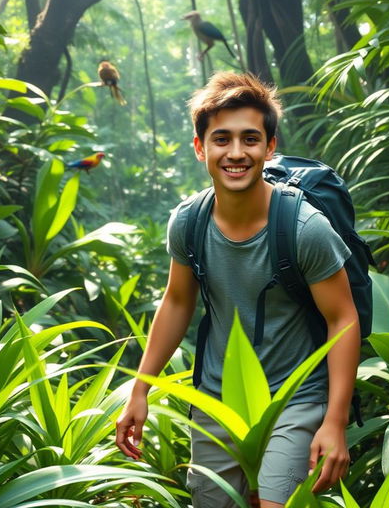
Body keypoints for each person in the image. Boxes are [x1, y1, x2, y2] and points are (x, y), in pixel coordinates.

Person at [116, 72, 360, 508]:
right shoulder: (189, 223)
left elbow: (342, 318)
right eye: (221, 139)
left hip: (294, 397)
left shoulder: (304, 228)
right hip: (217, 400)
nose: (235, 152)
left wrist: (335, 421)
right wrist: (140, 388)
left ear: (269, 147)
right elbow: (176, 302)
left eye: (250, 139)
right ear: (200, 147)